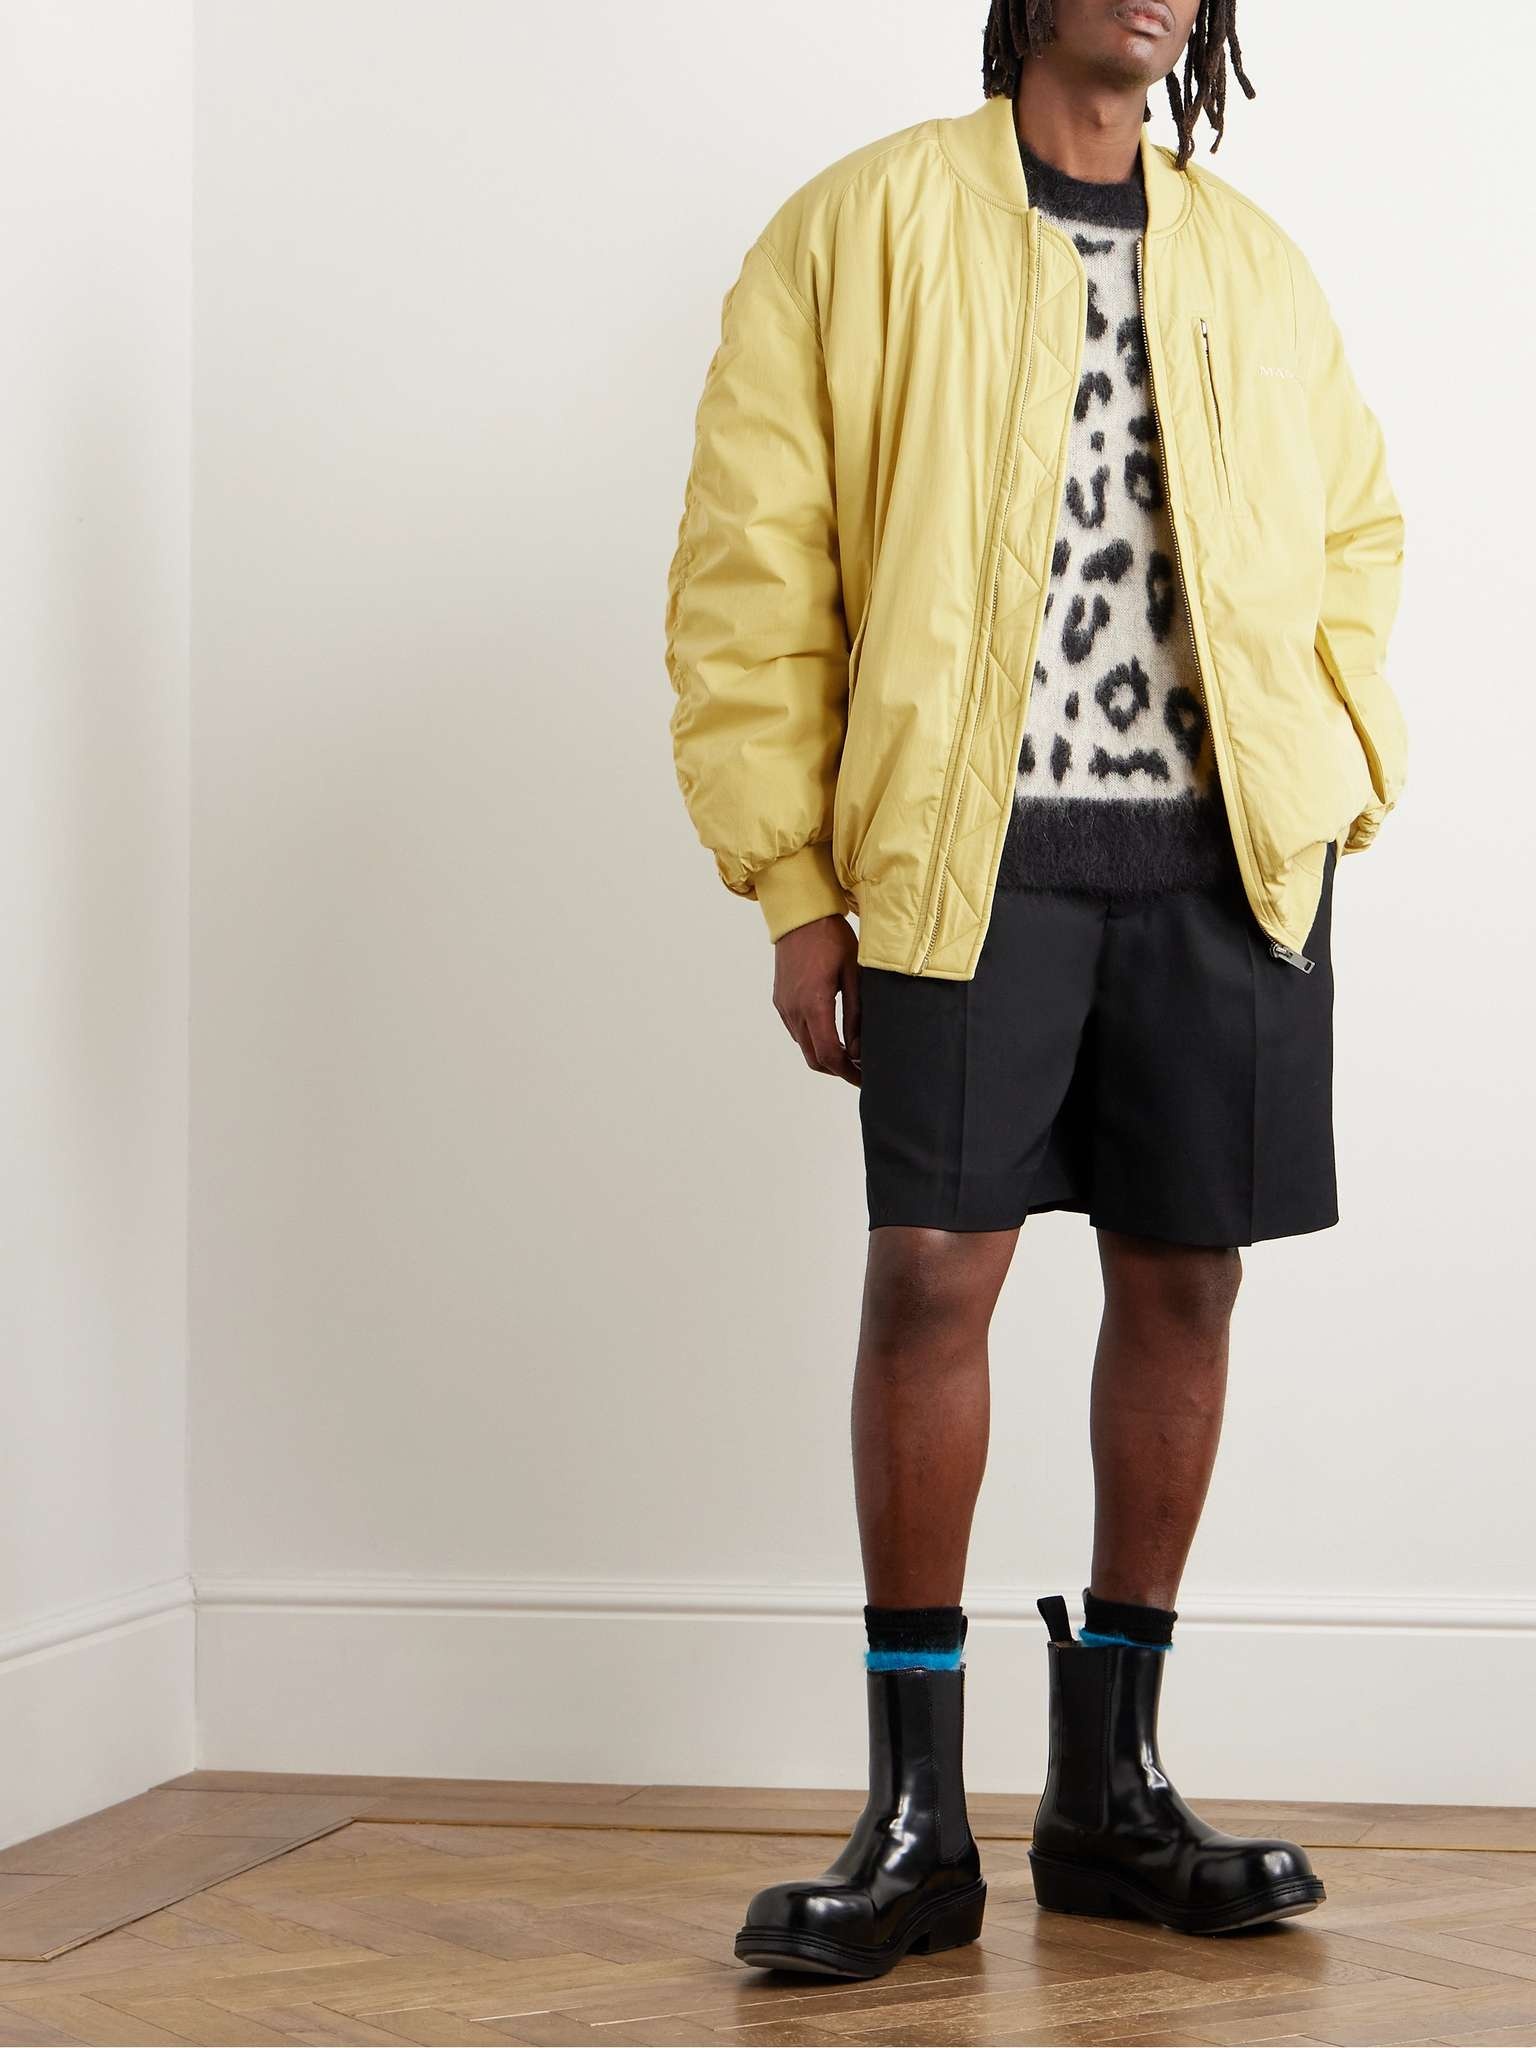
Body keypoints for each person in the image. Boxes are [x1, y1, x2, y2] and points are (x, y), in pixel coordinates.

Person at [664, 0, 1406, 1981]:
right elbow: (752, 565)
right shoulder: (862, 224)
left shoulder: (1252, 263)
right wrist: (792, 880)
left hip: (1224, 868)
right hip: (958, 861)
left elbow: (1354, 532)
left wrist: (1337, 760)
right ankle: (915, 1824)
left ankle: (1113, 1797)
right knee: (931, 1277)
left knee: (1186, 1282)